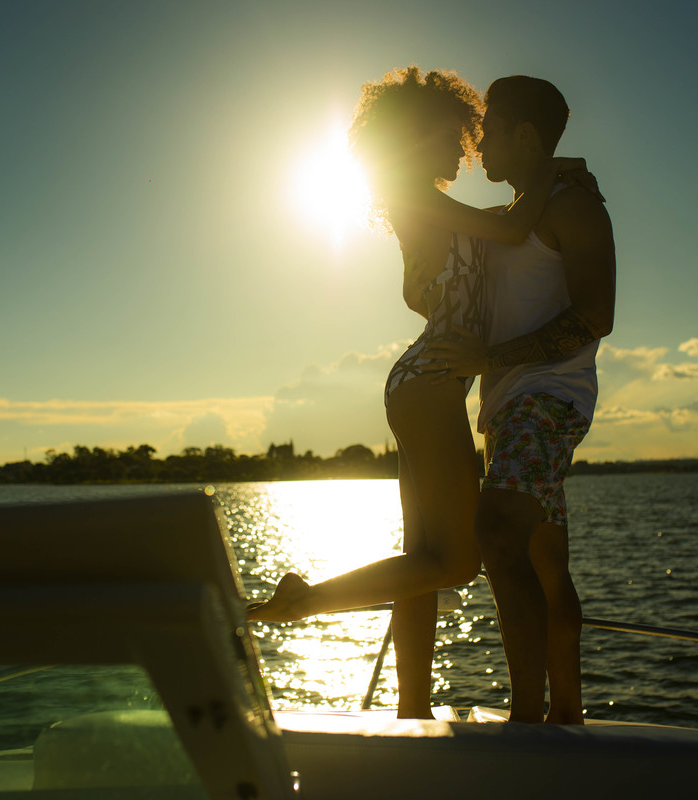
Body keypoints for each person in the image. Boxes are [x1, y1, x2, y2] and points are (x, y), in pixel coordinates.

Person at [246, 67, 592, 719]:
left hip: (424, 385)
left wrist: (550, 172)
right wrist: (556, 170)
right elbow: (515, 229)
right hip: (430, 384)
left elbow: (488, 234)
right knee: (457, 563)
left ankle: (411, 707)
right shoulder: (411, 190)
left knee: (424, 559)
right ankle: (305, 599)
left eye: (466, 135)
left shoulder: (427, 204)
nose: (462, 147)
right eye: (450, 133)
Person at [424, 76, 616, 724]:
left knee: (497, 528)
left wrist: (488, 361)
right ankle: (567, 717)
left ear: (526, 135)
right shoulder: (518, 214)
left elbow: (595, 316)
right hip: (507, 406)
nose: (479, 144)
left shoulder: (574, 206)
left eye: (491, 129)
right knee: (543, 558)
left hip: (549, 395)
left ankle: (527, 726)